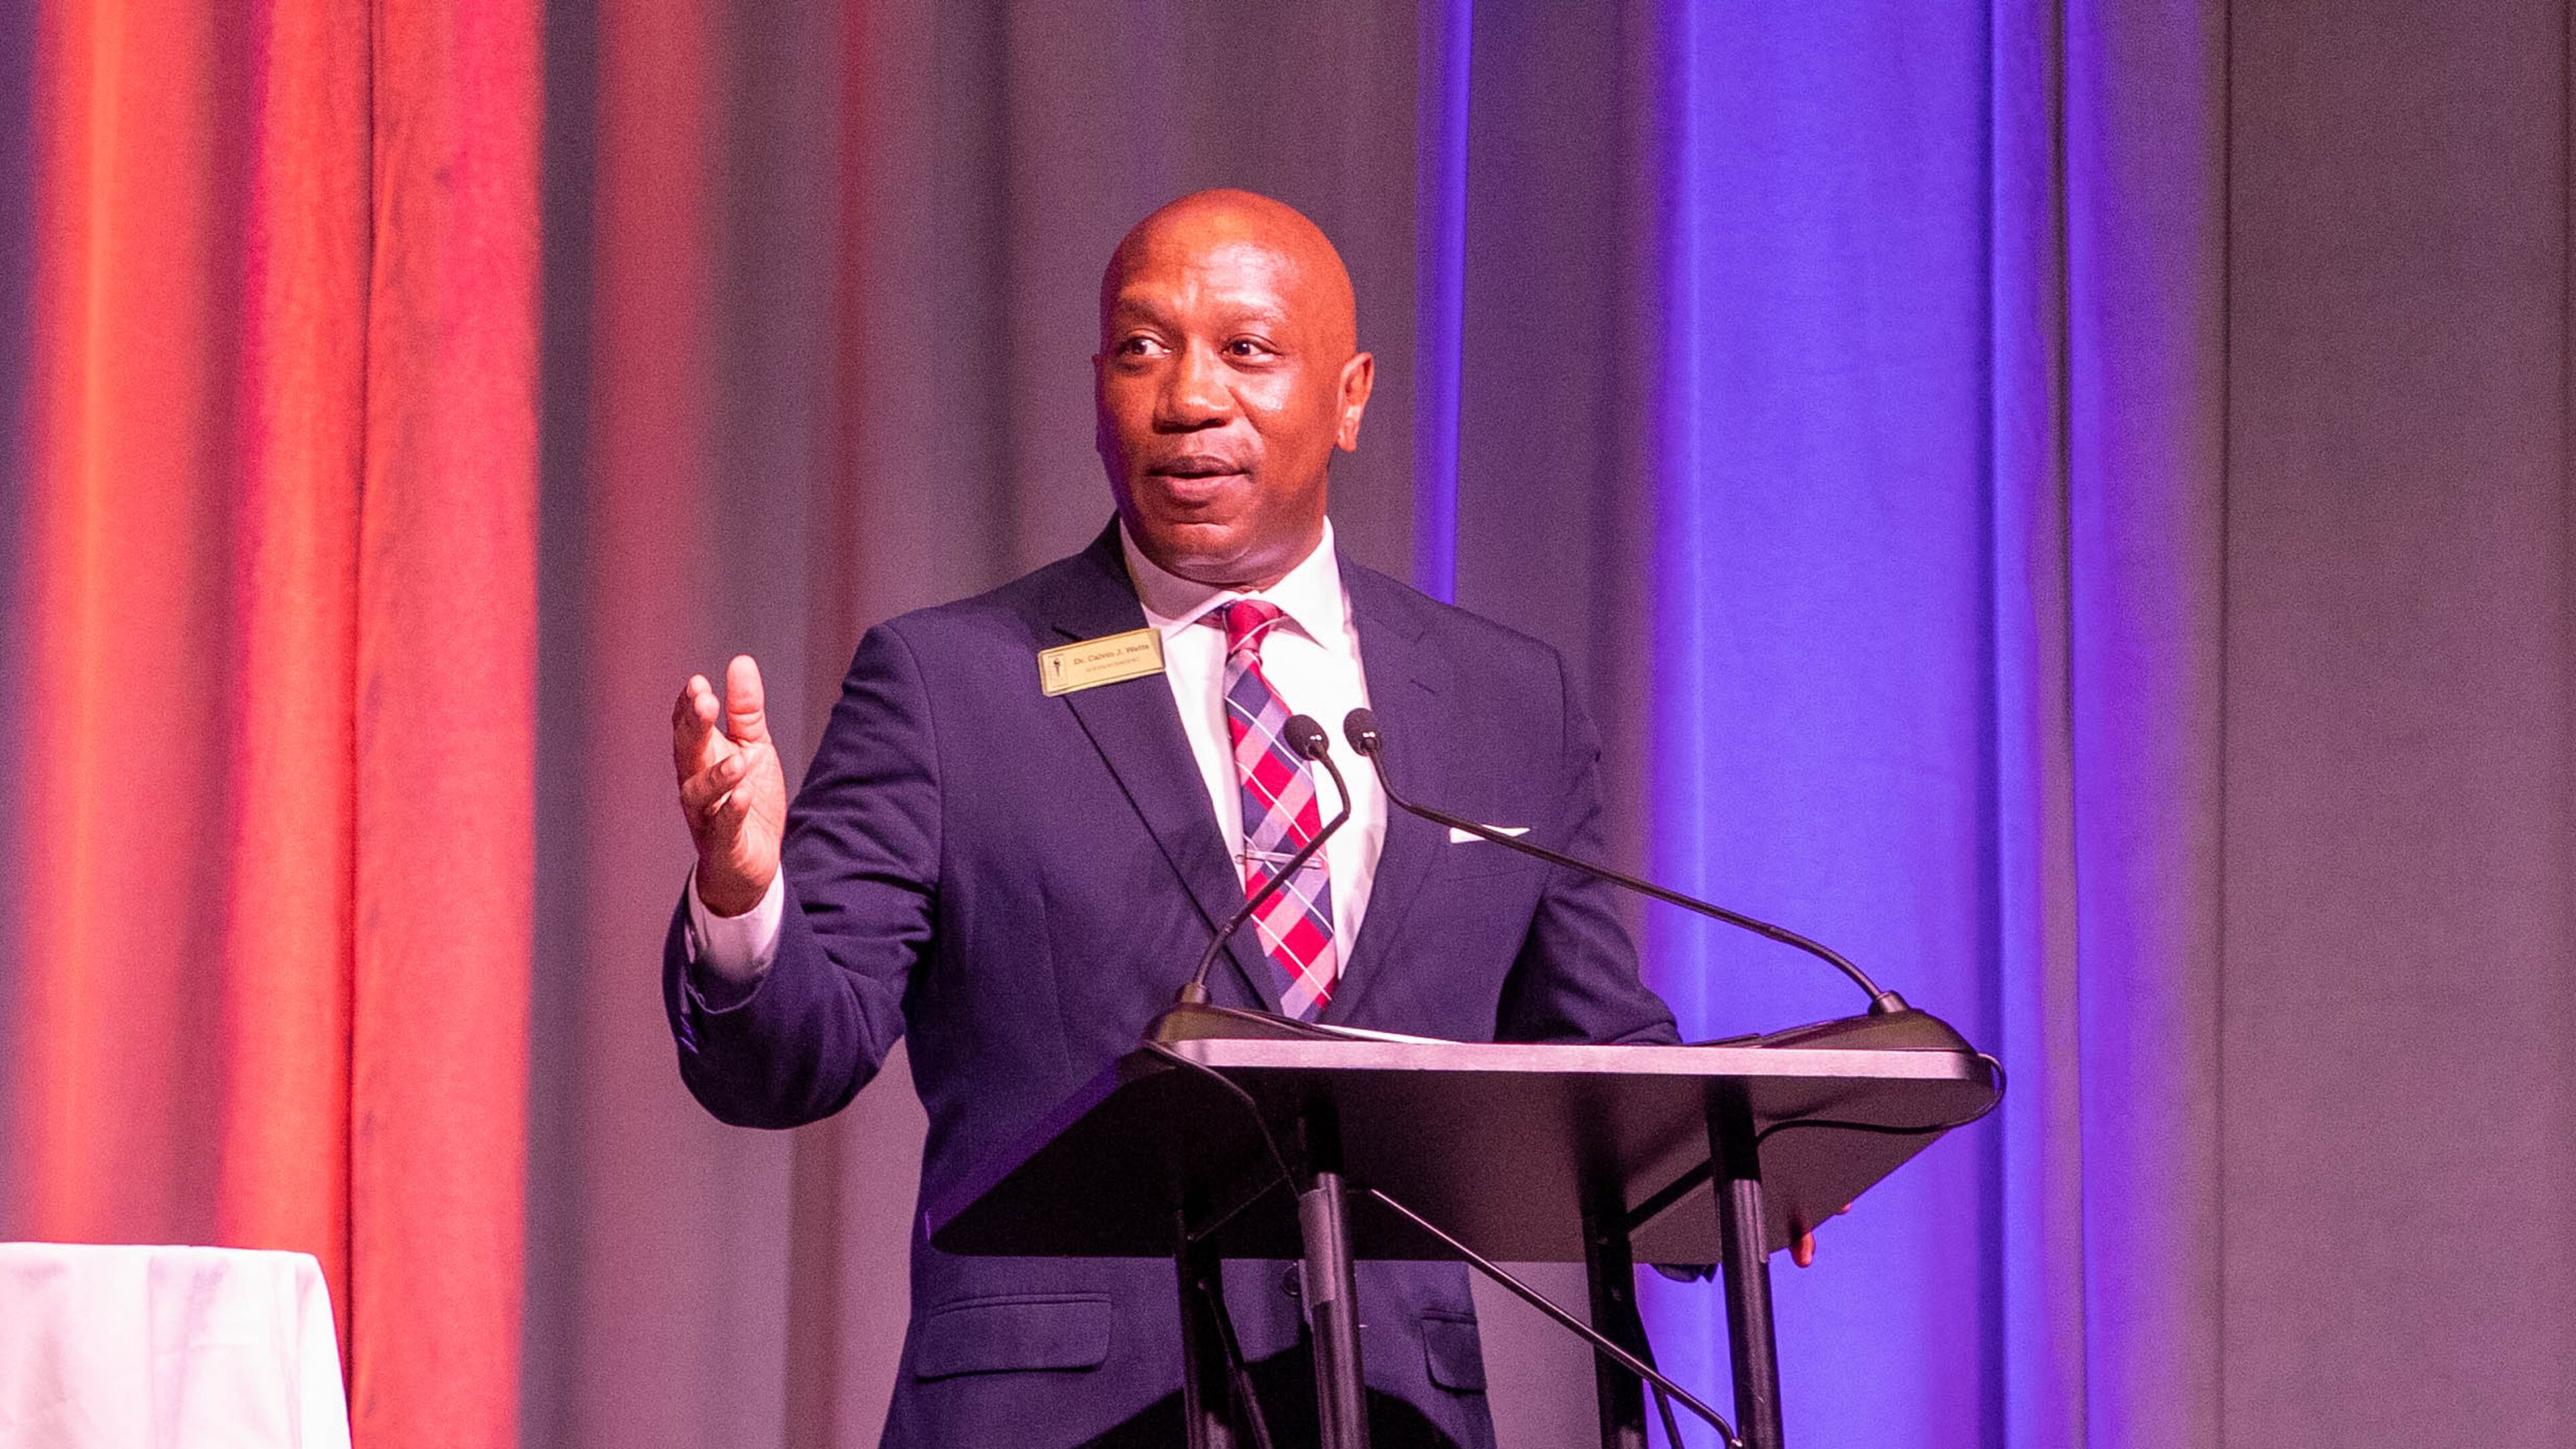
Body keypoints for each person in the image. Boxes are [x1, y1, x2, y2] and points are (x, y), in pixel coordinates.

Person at [664, 189, 1678, 1448]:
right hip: (1069, 1415)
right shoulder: (950, 686)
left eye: (1247, 351)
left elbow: (1595, 1052)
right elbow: (787, 1060)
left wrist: (1743, 1164)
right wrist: (742, 895)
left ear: (1351, 396)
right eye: (1144, 349)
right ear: (1098, 386)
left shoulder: (1504, 700)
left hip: (1404, 1412)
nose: (1189, 398)